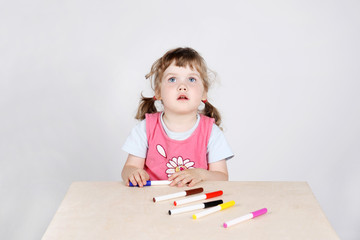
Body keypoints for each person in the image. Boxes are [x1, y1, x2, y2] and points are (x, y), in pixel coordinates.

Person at [121, 47, 233, 187]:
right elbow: (128, 168)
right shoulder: (145, 128)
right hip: (152, 202)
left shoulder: (211, 132)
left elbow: (222, 177)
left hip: (195, 200)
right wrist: (133, 173)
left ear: (204, 93)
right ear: (158, 92)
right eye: (172, 79)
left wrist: (201, 174)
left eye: (191, 79)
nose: (182, 86)